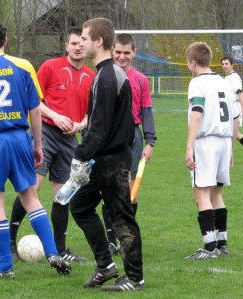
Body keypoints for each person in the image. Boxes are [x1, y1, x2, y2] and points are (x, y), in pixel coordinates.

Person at [0, 19, 71, 279]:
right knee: (30, 196)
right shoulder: (23, 66)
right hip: (20, 137)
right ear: (6, 41)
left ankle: (4, 267)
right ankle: (53, 251)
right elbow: (35, 108)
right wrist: (37, 143)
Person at [69, 17, 144, 291]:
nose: (82, 43)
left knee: (121, 218)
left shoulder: (108, 76)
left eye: (85, 39)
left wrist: (78, 156)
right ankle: (105, 265)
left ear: (99, 41)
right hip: (103, 159)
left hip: (113, 159)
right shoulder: (103, 73)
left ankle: (135, 278)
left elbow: (100, 128)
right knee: (79, 206)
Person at [8, 27, 94, 262]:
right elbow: (33, 101)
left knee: (63, 194)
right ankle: (10, 242)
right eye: (73, 43)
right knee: (31, 187)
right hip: (45, 132)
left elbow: (89, 114)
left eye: (81, 44)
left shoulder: (91, 76)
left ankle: (60, 249)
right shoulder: (49, 67)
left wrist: (80, 125)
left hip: (69, 139)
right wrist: (55, 116)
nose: (78, 47)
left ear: (87, 47)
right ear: (66, 46)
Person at [103, 33, 157, 255]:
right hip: (108, 137)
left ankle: (127, 238)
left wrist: (150, 141)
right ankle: (109, 240)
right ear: (112, 51)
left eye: (126, 52)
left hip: (132, 137)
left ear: (134, 52)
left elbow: (146, 112)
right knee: (108, 187)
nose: (122, 57)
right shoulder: (104, 76)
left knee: (130, 190)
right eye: (118, 52)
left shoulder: (141, 80)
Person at [185, 43, 239, 260]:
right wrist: (232, 149)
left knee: (201, 194)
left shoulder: (197, 83)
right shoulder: (224, 82)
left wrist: (189, 146)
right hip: (225, 141)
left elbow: (197, 114)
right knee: (217, 193)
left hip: (206, 142)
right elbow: (235, 119)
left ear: (193, 62)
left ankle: (209, 249)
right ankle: (222, 244)